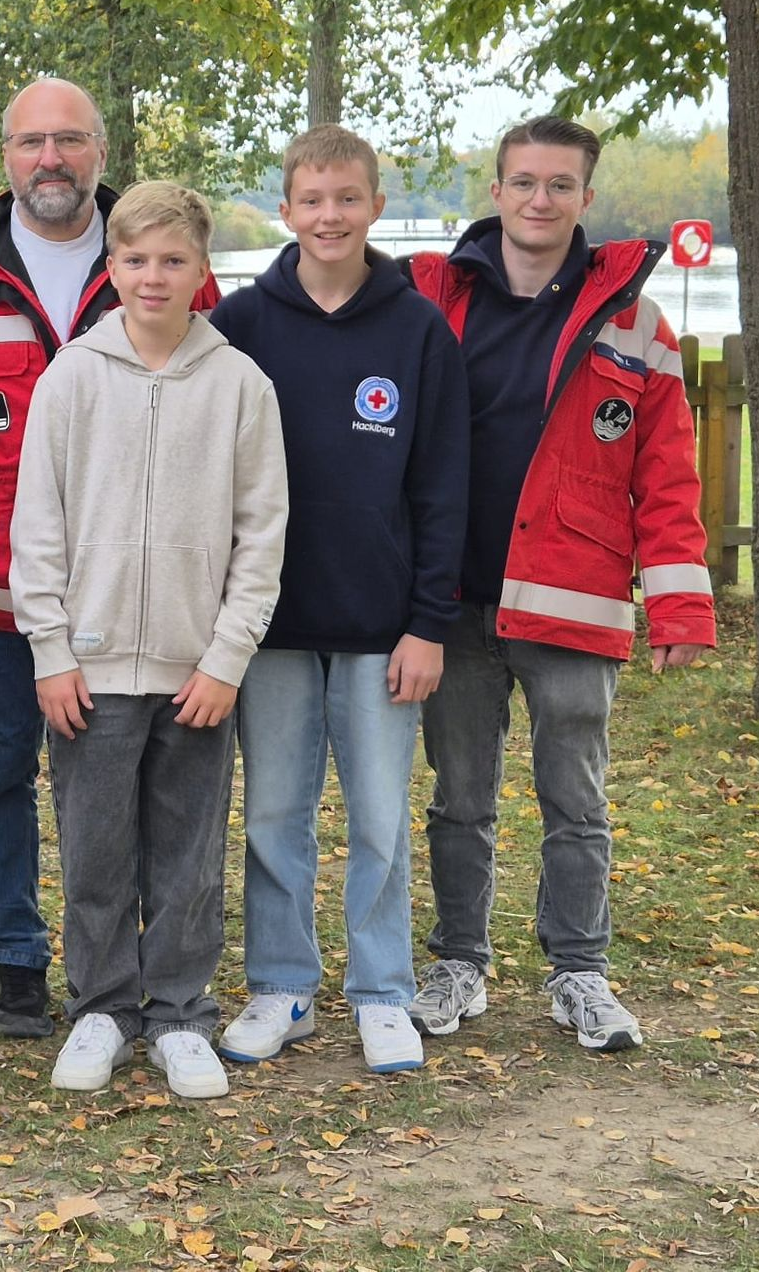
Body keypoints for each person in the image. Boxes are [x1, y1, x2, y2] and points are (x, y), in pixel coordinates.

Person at [0, 78, 220, 1038]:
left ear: (101, 150)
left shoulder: (157, 260)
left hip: (130, 593)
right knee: (1, 776)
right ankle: (16, 957)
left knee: (134, 781)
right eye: (31, 143)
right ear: (6, 157)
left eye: (69, 140)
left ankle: (136, 969)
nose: (50, 159)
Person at [404, 116, 716, 1051]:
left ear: (586, 197)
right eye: (524, 182)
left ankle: (580, 971)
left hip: (573, 597)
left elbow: (667, 474)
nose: (540, 200)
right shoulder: (431, 299)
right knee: (459, 798)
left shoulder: (636, 325)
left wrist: (679, 604)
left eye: (560, 185)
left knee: (576, 802)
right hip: (453, 602)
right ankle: (459, 962)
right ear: (496, 190)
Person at [10, 181, 286, 1099]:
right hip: (88, 670)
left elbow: (261, 536)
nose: (154, 276)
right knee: (94, 850)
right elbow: (37, 525)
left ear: (203, 269)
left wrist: (226, 658)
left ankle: (178, 1014)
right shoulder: (71, 378)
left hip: (195, 670)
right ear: (112, 267)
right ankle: (101, 1009)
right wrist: (51, 650)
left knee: (188, 853)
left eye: (173, 260)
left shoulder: (240, 385)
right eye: (135, 260)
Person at [208, 125, 469, 1075]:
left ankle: (383, 991)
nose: (330, 216)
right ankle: (281, 985)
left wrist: (428, 623)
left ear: (376, 207)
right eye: (312, 200)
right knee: (273, 814)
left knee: (378, 818)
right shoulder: (241, 322)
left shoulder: (417, 329)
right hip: (268, 624)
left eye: (347, 198)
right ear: (285, 210)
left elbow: (442, 484)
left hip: (380, 628)